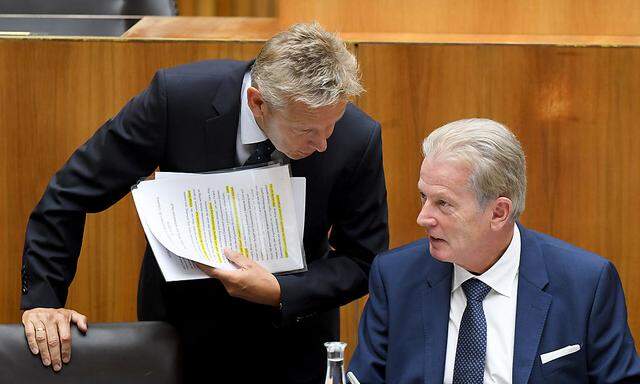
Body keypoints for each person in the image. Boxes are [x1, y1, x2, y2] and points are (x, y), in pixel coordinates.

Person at [20, 23, 389, 383]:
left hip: (293, 342)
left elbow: (363, 259)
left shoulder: (356, 137)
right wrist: (43, 298)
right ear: (257, 102)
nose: (324, 143)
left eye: (332, 125)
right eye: (308, 131)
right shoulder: (178, 100)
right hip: (179, 333)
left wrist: (280, 291)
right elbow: (70, 192)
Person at [348, 118, 640, 383]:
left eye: (443, 203)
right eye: (424, 196)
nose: (423, 217)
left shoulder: (587, 285)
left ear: (499, 212)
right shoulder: (395, 277)